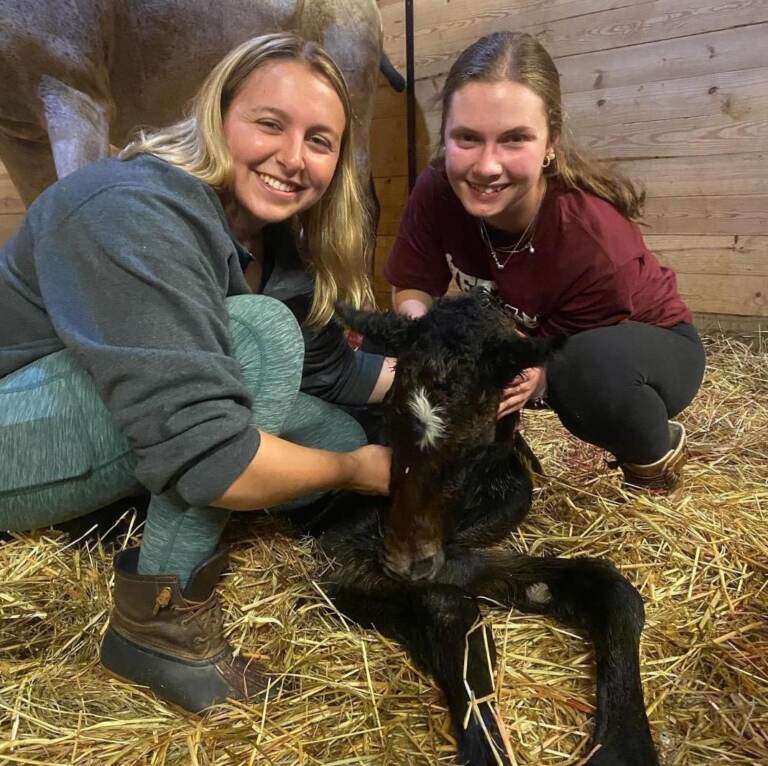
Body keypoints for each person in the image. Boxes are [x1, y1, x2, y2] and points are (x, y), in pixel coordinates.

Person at [0, 33, 394, 713]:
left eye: (320, 141)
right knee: (263, 341)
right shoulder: (128, 207)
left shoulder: (273, 245)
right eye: (269, 124)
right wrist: (358, 473)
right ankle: (159, 627)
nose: (292, 158)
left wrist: (452, 383)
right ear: (217, 118)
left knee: (330, 429)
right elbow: (216, 463)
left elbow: (334, 375)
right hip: (13, 437)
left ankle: (121, 508)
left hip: (103, 412)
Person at [385, 31, 705, 492]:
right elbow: (412, 288)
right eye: (467, 138)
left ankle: (652, 456)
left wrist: (531, 380)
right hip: (531, 339)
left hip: (640, 350)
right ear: (445, 138)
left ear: (550, 142)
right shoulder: (436, 190)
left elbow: (558, 358)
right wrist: (423, 339)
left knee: (586, 375)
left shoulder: (589, 236)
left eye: (514, 139)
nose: (486, 166)